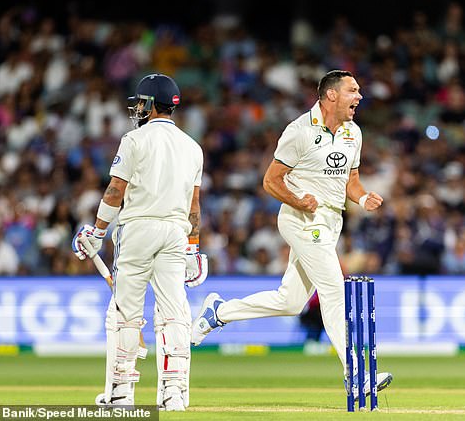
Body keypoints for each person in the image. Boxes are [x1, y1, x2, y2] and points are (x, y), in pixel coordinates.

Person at [191, 70, 392, 398]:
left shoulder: (353, 133)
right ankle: (356, 375)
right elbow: (270, 180)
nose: (359, 97)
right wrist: (298, 200)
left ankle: (219, 312)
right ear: (331, 96)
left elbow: (351, 182)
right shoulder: (299, 131)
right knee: (333, 290)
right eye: (352, 91)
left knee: (290, 301)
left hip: (330, 223)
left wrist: (363, 197)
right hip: (301, 220)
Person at [72, 73, 207, 411]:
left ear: (150, 104)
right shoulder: (193, 147)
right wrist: (193, 246)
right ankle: (174, 393)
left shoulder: (134, 140)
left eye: (140, 103)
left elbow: (115, 191)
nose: (137, 109)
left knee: (125, 313)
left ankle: (121, 394)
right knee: (174, 312)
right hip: (176, 233)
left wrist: (98, 231)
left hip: (139, 230)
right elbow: (194, 207)